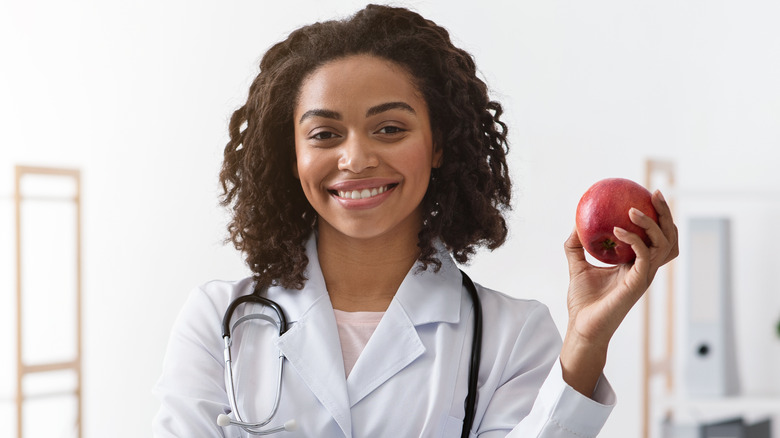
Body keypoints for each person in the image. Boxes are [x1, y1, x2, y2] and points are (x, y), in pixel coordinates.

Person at [153, 4, 678, 437]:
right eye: (324, 134)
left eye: (388, 128)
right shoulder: (218, 322)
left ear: (438, 146)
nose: (355, 159)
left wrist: (586, 344)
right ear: (291, 156)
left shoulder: (511, 335)